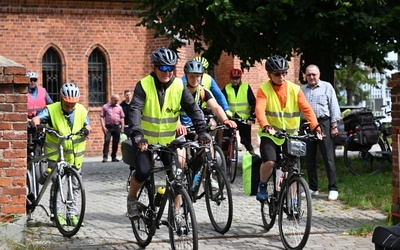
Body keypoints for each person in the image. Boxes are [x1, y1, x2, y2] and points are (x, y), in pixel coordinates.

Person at [127, 47, 210, 220]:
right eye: (163, 68)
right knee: (142, 171)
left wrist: (202, 131)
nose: (167, 72)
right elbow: (134, 110)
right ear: (155, 67)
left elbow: (193, 109)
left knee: (176, 176)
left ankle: (177, 212)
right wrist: (138, 134)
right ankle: (132, 198)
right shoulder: (143, 85)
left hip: (168, 142)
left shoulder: (179, 85)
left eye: (171, 68)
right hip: (145, 141)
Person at [255, 55, 323, 202]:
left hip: (290, 135)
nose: (282, 77)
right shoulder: (263, 90)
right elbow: (259, 110)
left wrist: (316, 128)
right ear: (269, 75)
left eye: (284, 73)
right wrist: (266, 126)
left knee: (293, 168)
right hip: (271, 134)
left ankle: (293, 201)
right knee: (270, 161)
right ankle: (262, 185)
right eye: (277, 74)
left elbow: (307, 109)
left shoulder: (295, 89)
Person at [31, 83, 91, 226]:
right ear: (61, 99)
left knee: (76, 185)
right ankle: (56, 214)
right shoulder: (52, 110)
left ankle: (72, 214)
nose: (70, 107)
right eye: (67, 104)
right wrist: (38, 125)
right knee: (58, 183)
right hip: (56, 155)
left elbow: (87, 124)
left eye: (73, 104)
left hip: (75, 156)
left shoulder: (81, 110)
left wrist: (86, 130)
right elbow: (36, 119)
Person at [177, 60, 237, 183]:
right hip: (181, 128)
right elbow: (174, 111)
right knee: (181, 161)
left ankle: (209, 176)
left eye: (198, 76)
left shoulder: (203, 91)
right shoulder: (179, 91)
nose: (195, 79)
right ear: (186, 76)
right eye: (191, 76)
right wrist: (178, 124)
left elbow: (215, 106)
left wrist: (225, 119)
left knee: (207, 142)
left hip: (196, 127)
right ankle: (180, 183)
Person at [300, 64, 341, 201]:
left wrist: (334, 125)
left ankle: (333, 188)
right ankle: (313, 188)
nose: (311, 77)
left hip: (324, 123)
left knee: (328, 157)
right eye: (309, 74)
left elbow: (334, 106)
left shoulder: (327, 87)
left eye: (314, 74)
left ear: (319, 75)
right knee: (309, 158)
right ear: (305, 75)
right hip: (307, 125)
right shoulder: (301, 89)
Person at [222, 68, 256, 153]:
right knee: (226, 140)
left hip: (244, 119)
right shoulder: (227, 88)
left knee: (246, 141)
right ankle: (225, 161)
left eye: (237, 78)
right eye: (233, 79)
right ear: (230, 79)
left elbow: (253, 102)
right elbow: (221, 102)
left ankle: (253, 156)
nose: (235, 81)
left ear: (240, 78)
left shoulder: (246, 87)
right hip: (231, 118)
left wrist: (252, 117)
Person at [100, 94, 125, 162]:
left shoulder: (119, 107)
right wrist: (103, 126)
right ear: (112, 99)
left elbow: (122, 118)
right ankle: (105, 157)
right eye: (115, 100)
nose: (117, 102)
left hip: (117, 126)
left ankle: (114, 156)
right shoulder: (105, 107)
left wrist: (122, 127)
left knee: (116, 142)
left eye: (118, 100)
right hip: (108, 127)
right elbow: (102, 116)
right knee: (107, 141)